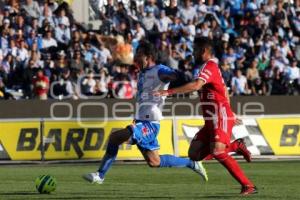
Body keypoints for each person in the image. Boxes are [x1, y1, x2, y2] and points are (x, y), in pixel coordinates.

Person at [83, 40, 208, 184]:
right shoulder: (142, 73)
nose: (136, 57)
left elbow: (177, 76)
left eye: (139, 54)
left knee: (115, 138)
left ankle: (100, 175)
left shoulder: (160, 70)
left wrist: (181, 77)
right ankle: (192, 163)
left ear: (148, 57)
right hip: (142, 120)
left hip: (151, 124)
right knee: (154, 161)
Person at [153, 37, 257, 196]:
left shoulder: (210, 65)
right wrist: (230, 111)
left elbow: (196, 86)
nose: (193, 53)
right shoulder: (207, 67)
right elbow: (223, 89)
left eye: (195, 50)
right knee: (194, 154)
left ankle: (248, 185)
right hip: (210, 117)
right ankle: (235, 146)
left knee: (217, 151)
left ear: (203, 51)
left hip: (219, 114)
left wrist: (168, 92)